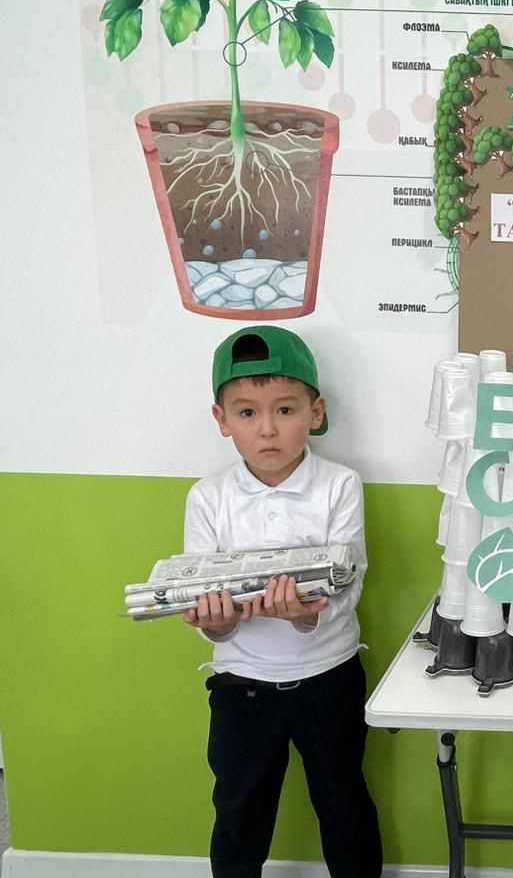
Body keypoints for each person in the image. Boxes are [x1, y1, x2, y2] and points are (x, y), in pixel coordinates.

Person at [182, 325, 382, 878]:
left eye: (286, 410)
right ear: (222, 420)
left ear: (316, 412)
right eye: (247, 413)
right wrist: (216, 625)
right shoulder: (208, 497)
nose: (267, 428)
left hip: (330, 676)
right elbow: (205, 598)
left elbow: (350, 579)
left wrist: (306, 615)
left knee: (343, 803)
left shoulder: (340, 485)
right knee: (239, 809)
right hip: (240, 684)